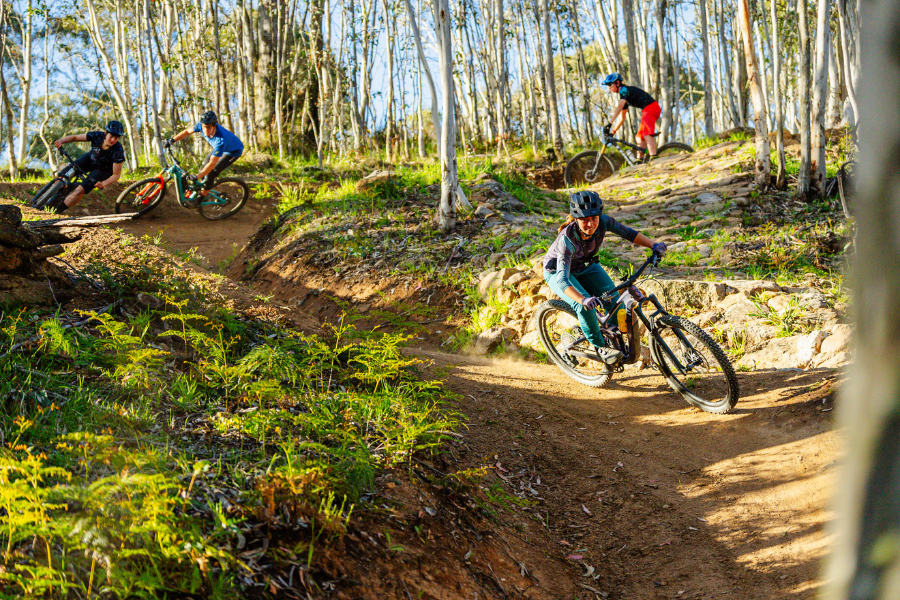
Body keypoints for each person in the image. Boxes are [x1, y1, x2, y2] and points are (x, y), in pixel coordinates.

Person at [543, 191, 667, 365]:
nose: (591, 224)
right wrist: (583, 300)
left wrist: (653, 245)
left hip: (586, 266)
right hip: (559, 272)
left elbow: (630, 234)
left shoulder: (604, 222)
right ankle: (600, 346)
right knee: (583, 307)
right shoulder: (567, 240)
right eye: (585, 220)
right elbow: (563, 280)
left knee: (615, 302)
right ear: (576, 219)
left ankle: (610, 336)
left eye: (594, 218)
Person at [166, 110, 243, 206]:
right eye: (203, 127)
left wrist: (197, 177)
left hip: (233, 152)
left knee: (211, 172)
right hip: (220, 149)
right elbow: (187, 132)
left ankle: (200, 199)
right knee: (203, 168)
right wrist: (172, 140)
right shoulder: (201, 126)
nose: (205, 130)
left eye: (208, 128)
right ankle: (203, 186)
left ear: (214, 126)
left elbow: (212, 164)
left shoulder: (220, 141)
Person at [49, 120, 127, 213]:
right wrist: (61, 141)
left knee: (80, 190)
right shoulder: (97, 135)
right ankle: (46, 196)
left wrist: (103, 183)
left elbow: (116, 175)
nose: (113, 140)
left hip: (102, 170)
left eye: (116, 138)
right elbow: (75, 137)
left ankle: (56, 211)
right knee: (63, 175)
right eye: (111, 136)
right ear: (106, 133)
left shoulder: (118, 150)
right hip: (90, 159)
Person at [602, 72, 661, 159]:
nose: (609, 87)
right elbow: (622, 118)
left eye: (610, 84)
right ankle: (640, 160)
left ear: (617, 83)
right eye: (607, 85)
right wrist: (613, 131)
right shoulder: (624, 98)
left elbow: (619, 107)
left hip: (651, 108)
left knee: (646, 134)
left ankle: (654, 157)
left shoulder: (624, 90)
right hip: (648, 109)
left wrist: (609, 124)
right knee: (639, 137)